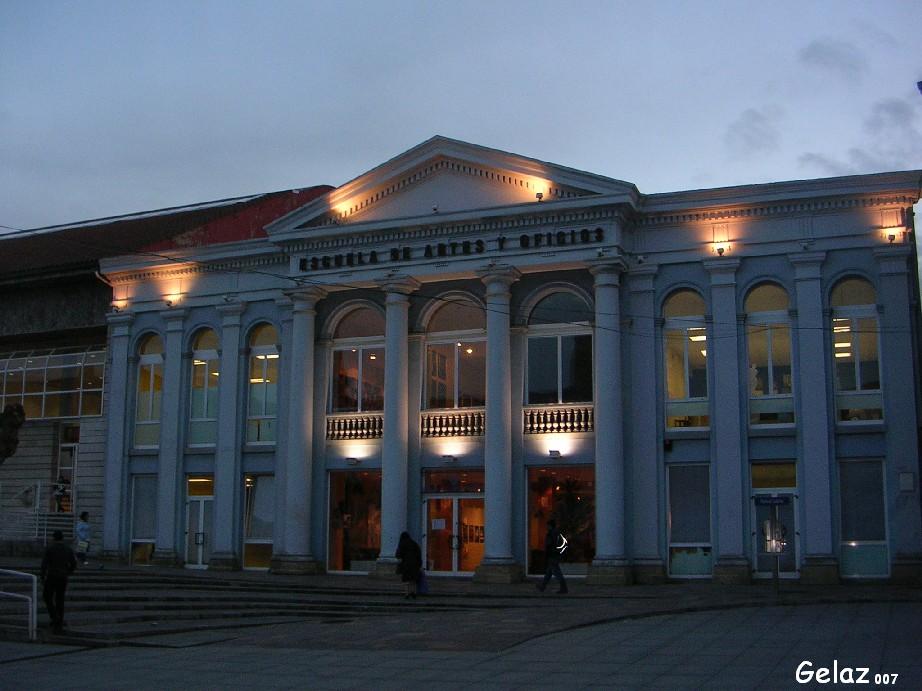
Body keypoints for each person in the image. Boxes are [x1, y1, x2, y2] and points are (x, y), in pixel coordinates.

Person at [41, 529, 77, 633]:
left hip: (52, 576)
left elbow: (44, 564)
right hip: (63, 577)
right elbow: (74, 563)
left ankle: (54, 616)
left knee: (47, 596)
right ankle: (59, 620)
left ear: (54, 538)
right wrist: (68, 572)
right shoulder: (68, 549)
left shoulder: (50, 548)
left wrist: (42, 576)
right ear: (62, 538)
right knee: (60, 599)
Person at [536, 518, 568, 594]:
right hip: (556, 554)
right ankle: (542, 586)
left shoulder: (551, 533)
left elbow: (549, 545)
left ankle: (564, 588)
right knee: (549, 572)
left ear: (550, 526)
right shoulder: (557, 533)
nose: (546, 527)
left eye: (547, 525)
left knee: (557, 572)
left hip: (552, 555)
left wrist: (546, 554)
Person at [395, 531, 422, 599]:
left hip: (406, 564)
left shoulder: (402, 544)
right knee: (414, 580)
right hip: (415, 565)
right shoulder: (414, 544)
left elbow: (398, 555)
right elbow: (419, 555)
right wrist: (419, 564)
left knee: (406, 580)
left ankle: (407, 593)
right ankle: (414, 593)